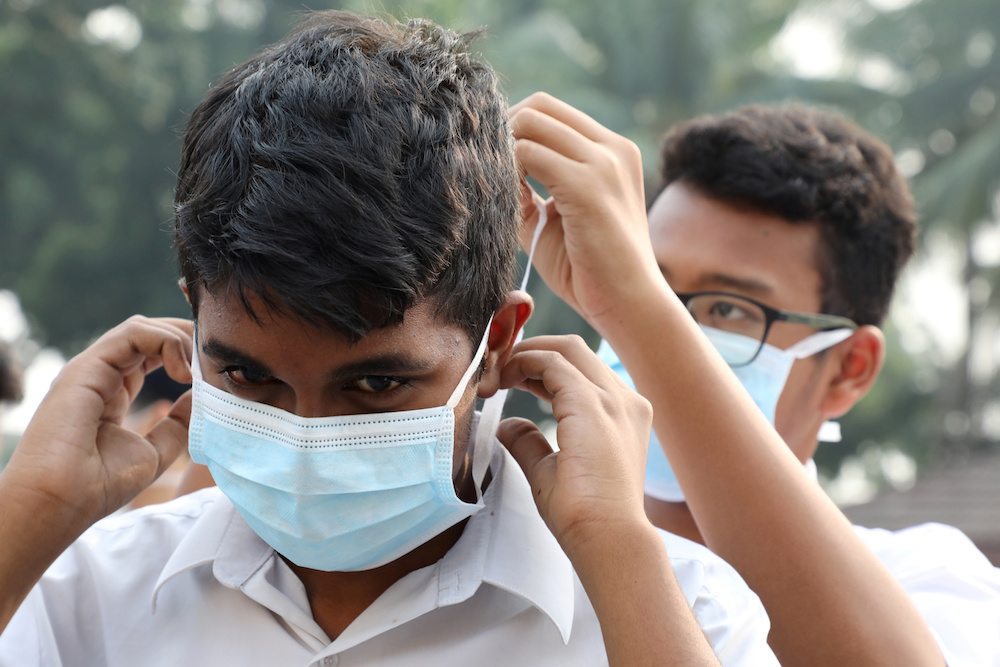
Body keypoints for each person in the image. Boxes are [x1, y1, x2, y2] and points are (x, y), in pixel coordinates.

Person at [0, 12, 781, 666]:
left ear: (497, 345)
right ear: (192, 326)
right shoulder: (82, 597)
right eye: (246, 376)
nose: (308, 435)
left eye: (374, 385)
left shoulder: (680, 611)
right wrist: (26, 518)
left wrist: (620, 560)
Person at [510, 93, 1000, 666]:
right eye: (660, 286)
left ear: (850, 369)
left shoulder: (933, 583)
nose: (665, 326)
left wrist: (639, 303)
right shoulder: (507, 563)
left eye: (728, 310)